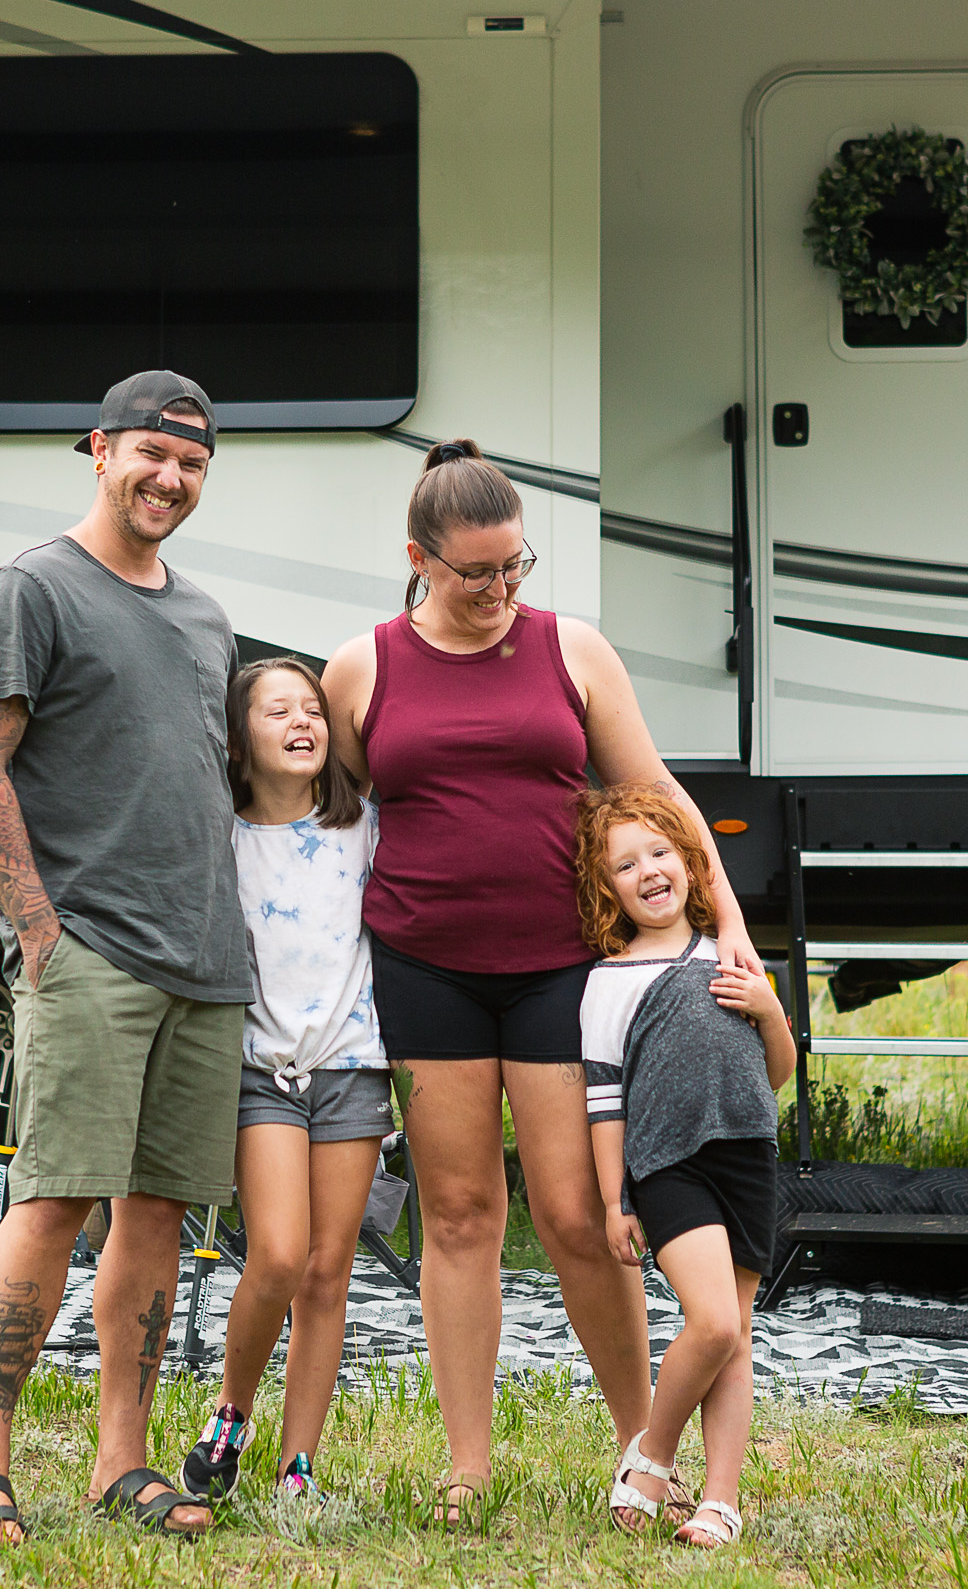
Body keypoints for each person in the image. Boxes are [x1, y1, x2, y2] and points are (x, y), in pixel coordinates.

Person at [320, 438, 756, 1520]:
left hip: (566, 968)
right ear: (418, 560)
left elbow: (655, 794)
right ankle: (466, 1465)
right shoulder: (362, 667)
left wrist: (729, 922)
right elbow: (333, 817)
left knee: (575, 1214)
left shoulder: (573, 650)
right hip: (425, 966)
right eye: (475, 571)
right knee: (461, 1211)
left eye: (514, 564)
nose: (499, 588)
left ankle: (642, 1452)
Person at [0, 370, 250, 1544]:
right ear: (100, 449)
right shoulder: (31, 587)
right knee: (55, 1197)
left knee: (157, 1210)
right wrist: (38, 933)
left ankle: (123, 1459)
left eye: (193, 462)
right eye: (151, 454)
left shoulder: (205, 616)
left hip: (202, 960)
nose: (170, 478)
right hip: (91, 950)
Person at [179, 657, 389, 1503]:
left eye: (313, 709)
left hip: (352, 1065)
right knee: (276, 1254)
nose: (303, 721)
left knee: (328, 1271)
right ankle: (231, 1410)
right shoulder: (220, 838)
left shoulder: (364, 827)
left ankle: (298, 1462)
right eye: (278, 711)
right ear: (238, 740)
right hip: (260, 1070)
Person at [575, 783, 792, 1550]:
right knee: (715, 1321)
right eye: (626, 864)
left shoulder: (730, 957)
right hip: (668, 1166)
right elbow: (605, 1102)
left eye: (660, 852)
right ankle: (654, 1455)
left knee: (736, 1335)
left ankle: (720, 1501)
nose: (649, 871)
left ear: (693, 865)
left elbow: (774, 1073)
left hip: (747, 1157)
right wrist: (615, 1198)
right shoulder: (608, 981)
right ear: (607, 889)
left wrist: (768, 1009)